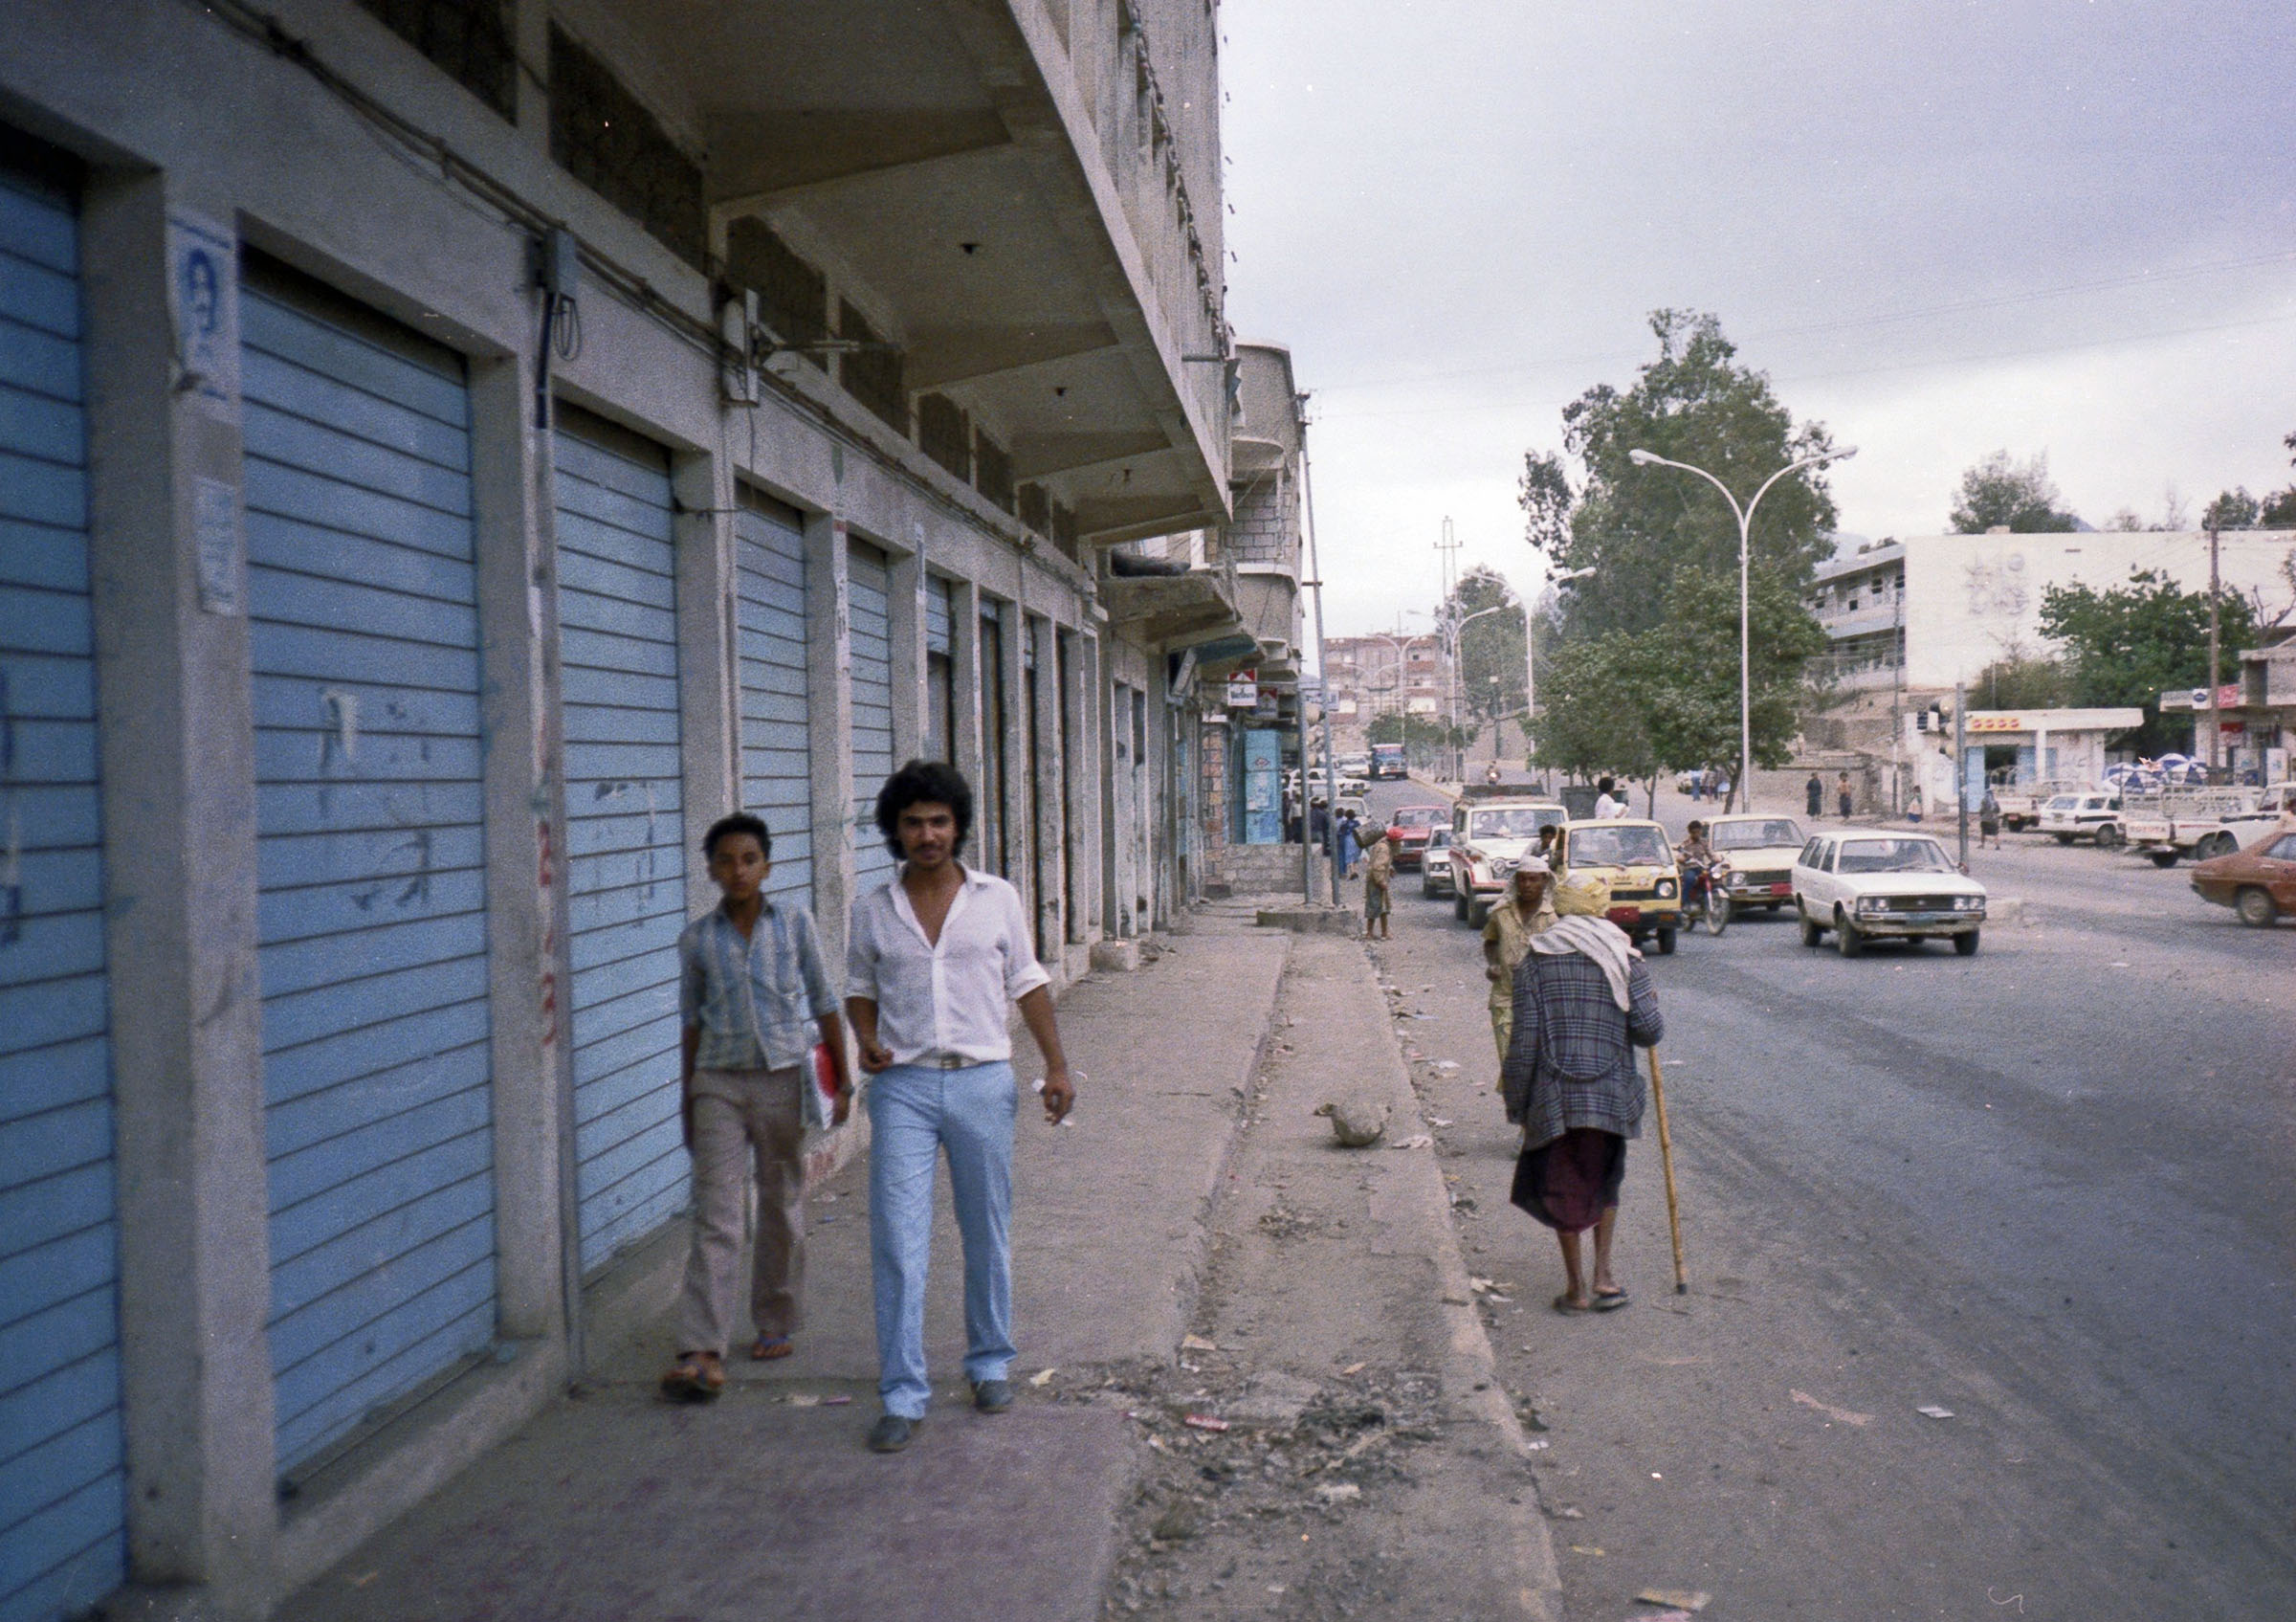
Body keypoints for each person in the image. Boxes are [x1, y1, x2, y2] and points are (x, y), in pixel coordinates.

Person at [845, 761, 1075, 1454]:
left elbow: (1028, 981)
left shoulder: (996, 897)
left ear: (958, 827)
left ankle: (989, 1362)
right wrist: (863, 1035)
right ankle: (902, 1392)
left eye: (939, 821)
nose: (927, 834)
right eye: (913, 822)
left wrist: (1056, 1064)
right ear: (896, 829)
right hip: (905, 1088)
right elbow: (859, 984)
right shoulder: (873, 907)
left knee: (987, 1229)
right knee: (898, 1240)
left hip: (982, 1081)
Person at [661, 813, 852, 1402]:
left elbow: (823, 1002)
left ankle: (774, 1319)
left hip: (782, 1079)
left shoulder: (794, 923)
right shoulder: (697, 940)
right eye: (725, 860)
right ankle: (702, 1349)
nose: (737, 870)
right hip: (718, 1082)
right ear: (711, 870)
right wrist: (687, 1095)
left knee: (780, 1205)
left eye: (748, 859)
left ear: (766, 867)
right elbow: (691, 1023)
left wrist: (843, 1078)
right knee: (717, 1215)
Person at [1501, 872, 1664, 1314]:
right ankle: (1604, 1278)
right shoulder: (1624, 957)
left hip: (1556, 1098)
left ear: (1562, 908)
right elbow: (1649, 1032)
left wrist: (1517, 1103)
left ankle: (1576, 1290)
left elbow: (1523, 1044)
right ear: (1601, 907)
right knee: (1605, 1181)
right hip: (1610, 1094)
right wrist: (1647, 995)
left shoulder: (1536, 961)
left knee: (1564, 1186)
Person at [1482, 859, 1556, 1061]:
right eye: (1522, 880)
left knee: (1538, 1064)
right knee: (1510, 1062)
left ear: (1545, 881)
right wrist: (1493, 964)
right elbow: (1491, 942)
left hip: (1542, 1001)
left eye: (1533, 880)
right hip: (1505, 998)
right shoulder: (1501, 913)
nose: (1527, 885)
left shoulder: (1554, 918)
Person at [1362, 829, 1395, 940]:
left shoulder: (1382, 845)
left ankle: (1384, 932)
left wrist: (1389, 869)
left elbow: (1381, 863)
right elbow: (1378, 866)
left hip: (1376, 879)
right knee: (1374, 906)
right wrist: (1381, 882)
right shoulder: (1384, 849)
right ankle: (1369, 933)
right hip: (1376, 881)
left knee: (1383, 908)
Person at [1336, 809, 1362, 878]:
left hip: (1347, 840)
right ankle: (1354, 871)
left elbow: (1340, 832)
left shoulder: (1344, 823)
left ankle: (1351, 871)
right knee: (1355, 855)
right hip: (1356, 840)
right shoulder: (1357, 823)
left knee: (1348, 855)